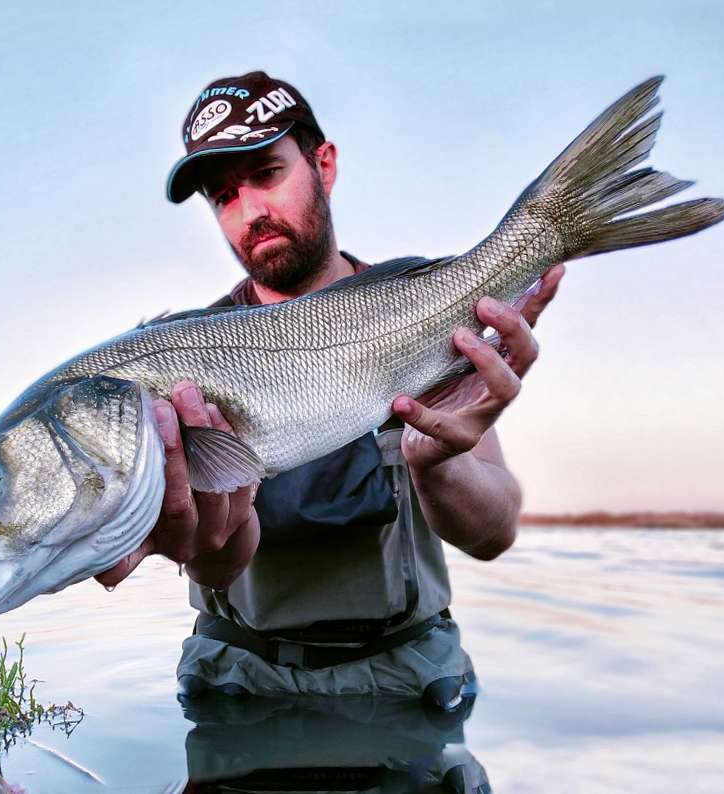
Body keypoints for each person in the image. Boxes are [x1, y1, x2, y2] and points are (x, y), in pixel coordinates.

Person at [95, 71, 564, 708]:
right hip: (239, 680)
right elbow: (215, 567)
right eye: (224, 195)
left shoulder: (419, 313)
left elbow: (495, 533)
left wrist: (439, 467)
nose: (250, 211)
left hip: (406, 675)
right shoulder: (183, 362)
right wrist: (203, 544)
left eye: (266, 174)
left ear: (325, 164)